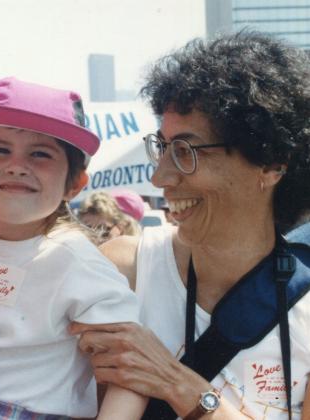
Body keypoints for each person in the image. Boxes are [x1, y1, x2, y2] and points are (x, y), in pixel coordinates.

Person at [72, 31, 310, 419]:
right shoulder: (123, 269)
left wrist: (176, 384)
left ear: (270, 164)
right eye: (162, 148)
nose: (160, 177)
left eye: (185, 151)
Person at [0, 77, 144, 418]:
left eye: (40, 154)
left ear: (75, 184)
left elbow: (131, 369)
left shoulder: (77, 261)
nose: (17, 165)